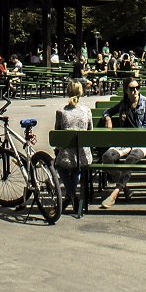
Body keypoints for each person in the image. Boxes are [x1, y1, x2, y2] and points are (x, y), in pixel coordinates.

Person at [99, 77, 146, 209]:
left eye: (137, 88)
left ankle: (115, 193)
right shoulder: (123, 104)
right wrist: (108, 119)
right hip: (124, 142)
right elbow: (107, 111)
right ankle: (125, 189)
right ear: (126, 90)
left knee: (131, 158)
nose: (135, 91)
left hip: (143, 141)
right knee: (107, 157)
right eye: (132, 88)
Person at [53, 79, 93, 210]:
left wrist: (58, 149)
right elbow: (90, 131)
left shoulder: (61, 112)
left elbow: (57, 135)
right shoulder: (86, 111)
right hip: (83, 155)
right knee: (77, 168)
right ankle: (72, 195)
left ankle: (71, 194)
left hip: (66, 155)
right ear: (81, 92)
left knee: (59, 165)